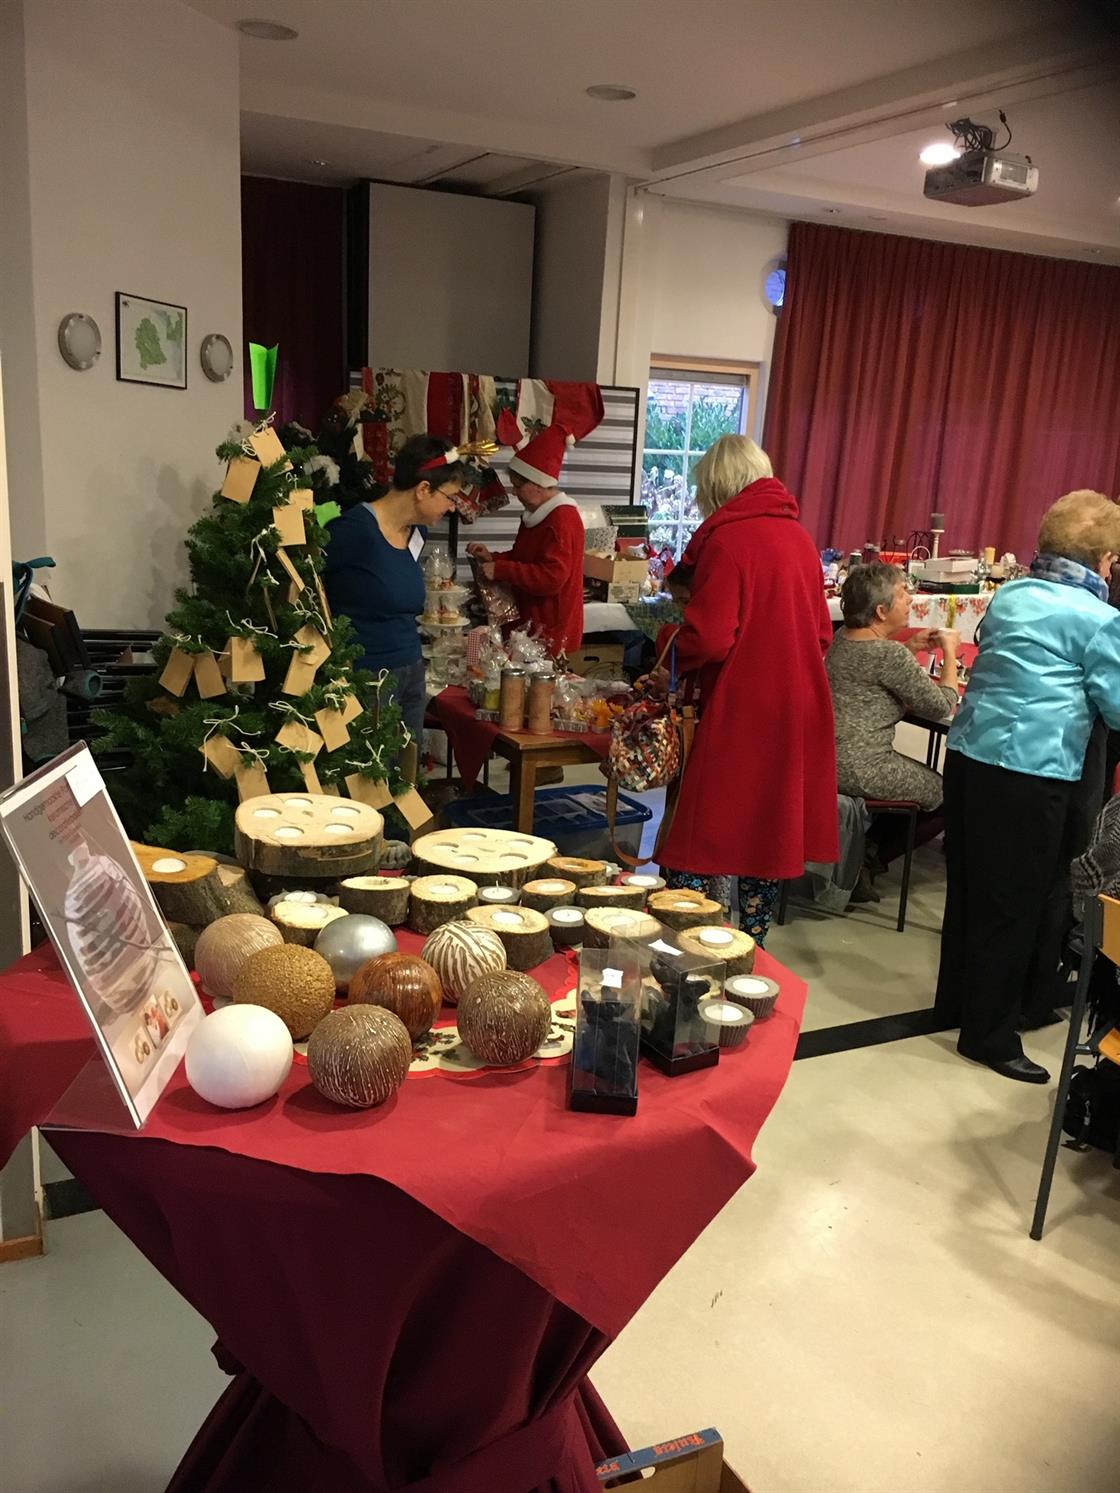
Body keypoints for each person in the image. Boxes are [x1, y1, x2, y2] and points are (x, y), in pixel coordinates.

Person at [935, 490, 1120, 1084]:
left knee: (969, 889)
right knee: (1013, 903)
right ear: (1106, 559)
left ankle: (959, 1004)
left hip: (969, 757)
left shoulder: (1009, 595)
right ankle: (989, 1034)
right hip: (1032, 771)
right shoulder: (1099, 620)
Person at [656, 434, 839, 946]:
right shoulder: (799, 539)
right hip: (796, 702)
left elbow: (711, 638)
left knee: (702, 834)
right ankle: (751, 951)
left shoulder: (727, 541)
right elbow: (822, 633)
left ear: (716, 487)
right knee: (765, 835)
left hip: (742, 706)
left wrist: (671, 649)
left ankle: (689, 946)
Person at [322, 434, 463, 748]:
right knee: (371, 779)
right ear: (423, 490)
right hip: (369, 676)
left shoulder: (417, 534)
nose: (452, 507)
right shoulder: (354, 531)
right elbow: (309, 588)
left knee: (406, 777)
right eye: (449, 497)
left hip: (411, 670)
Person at [827, 563, 959, 810]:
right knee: (944, 790)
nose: (910, 599)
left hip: (828, 760)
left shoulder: (842, 637)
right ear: (881, 611)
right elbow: (942, 706)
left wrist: (910, 648)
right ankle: (883, 845)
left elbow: (871, 672)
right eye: (901, 594)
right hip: (863, 767)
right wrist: (950, 652)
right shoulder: (890, 655)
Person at [467, 424, 584, 656]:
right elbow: (526, 558)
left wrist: (501, 569)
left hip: (549, 631)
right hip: (534, 626)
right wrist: (492, 558)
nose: (513, 492)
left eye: (518, 486)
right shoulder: (539, 515)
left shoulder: (561, 520)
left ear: (536, 485)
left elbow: (551, 578)